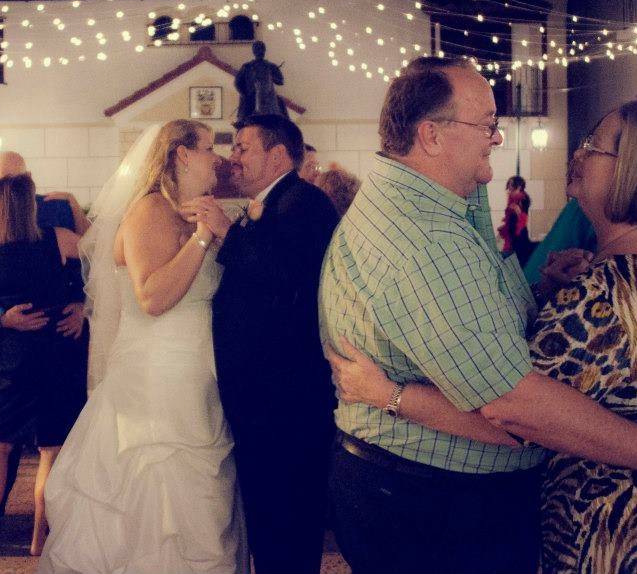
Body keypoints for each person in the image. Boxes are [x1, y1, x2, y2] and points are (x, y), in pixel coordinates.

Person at [320, 56, 637, 574]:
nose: (496, 135)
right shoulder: (423, 238)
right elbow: (514, 410)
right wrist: (393, 397)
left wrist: (541, 290)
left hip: (461, 501)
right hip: (426, 502)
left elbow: (481, 322)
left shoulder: (451, 202)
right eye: (486, 123)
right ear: (432, 136)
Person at [38, 120, 248, 573]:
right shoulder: (151, 210)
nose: (219, 158)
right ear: (183, 155)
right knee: (161, 498)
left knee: (199, 503)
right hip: (158, 383)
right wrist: (204, 237)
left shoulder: (186, 211)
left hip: (194, 374)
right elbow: (152, 296)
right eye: (210, 148)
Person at [186, 113, 339, 573]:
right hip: (265, 398)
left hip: (286, 401)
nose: (234, 158)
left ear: (277, 155)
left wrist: (228, 233)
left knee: (287, 522)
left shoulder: (304, 203)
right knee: (268, 522)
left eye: (243, 148)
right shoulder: (271, 202)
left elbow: (286, 280)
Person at [0, 150, 88, 542]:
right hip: (59, 347)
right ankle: (37, 539)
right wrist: (76, 208)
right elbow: (99, 252)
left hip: (15, 356)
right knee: (50, 450)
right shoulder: (58, 239)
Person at [234, 41, 288, 121]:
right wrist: (244, 94)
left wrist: (271, 77)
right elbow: (237, 83)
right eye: (257, 49)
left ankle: (286, 124)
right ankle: (241, 121)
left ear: (264, 50)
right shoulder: (247, 67)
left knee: (281, 104)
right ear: (254, 51)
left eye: (262, 49)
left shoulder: (271, 66)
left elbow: (281, 81)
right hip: (251, 96)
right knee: (244, 111)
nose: (260, 51)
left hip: (268, 96)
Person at [499, 175, 534, 265]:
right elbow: (510, 219)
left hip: (519, 234)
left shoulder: (523, 199)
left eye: (511, 185)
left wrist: (517, 211)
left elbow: (523, 219)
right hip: (512, 234)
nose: (509, 188)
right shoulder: (512, 200)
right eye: (509, 185)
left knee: (519, 259)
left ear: (518, 187)